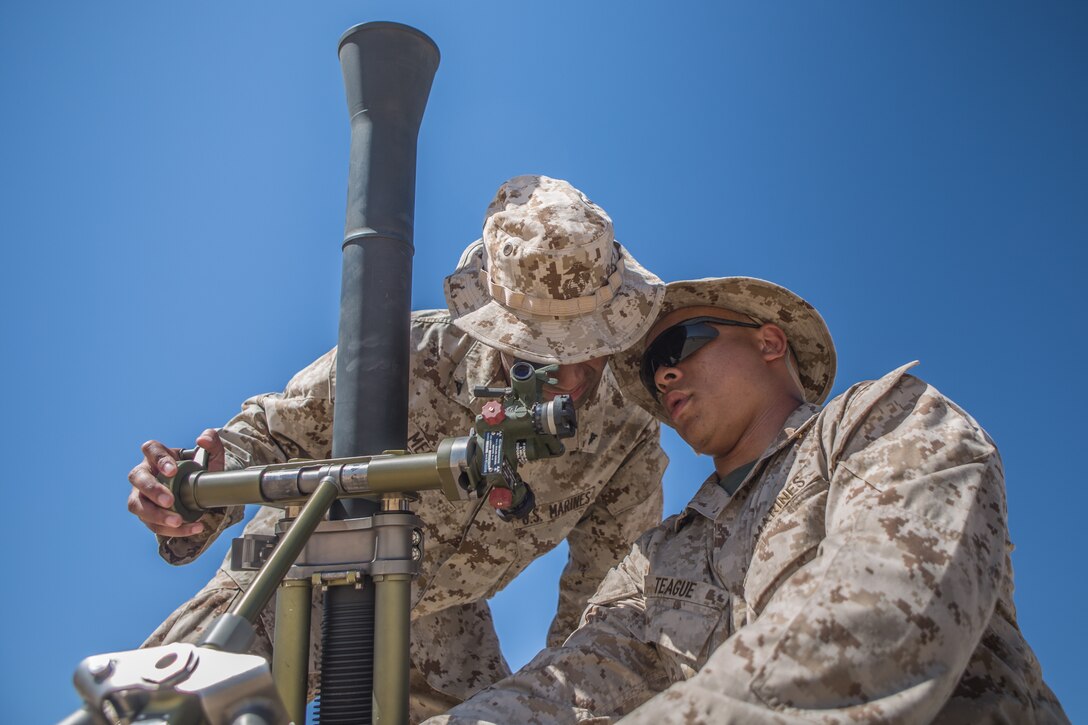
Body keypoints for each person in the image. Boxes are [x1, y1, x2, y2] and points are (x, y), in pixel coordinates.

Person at [125, 175, 670, 721]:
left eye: (590, 344)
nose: (572, 376)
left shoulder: (628, 436)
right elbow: (271, 433)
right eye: (541, 351)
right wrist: (203, 490)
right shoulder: (408, 356)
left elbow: (600, 605)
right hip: (304, 561)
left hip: (444, 623)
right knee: (170, 703)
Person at [427, 276, 1068, 724]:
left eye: (679, 347)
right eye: (652, 372)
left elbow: (883, 627)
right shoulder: (656, 559)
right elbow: (573, 686)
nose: (664, 374)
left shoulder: (883, 424)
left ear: (768, 342)